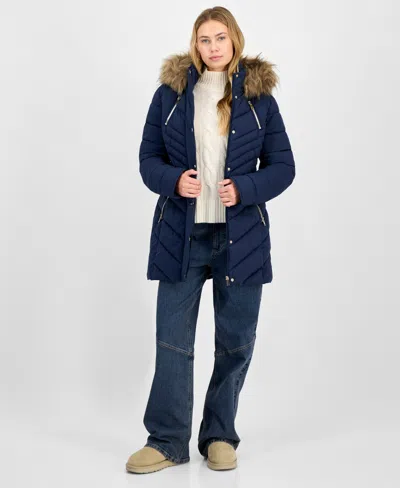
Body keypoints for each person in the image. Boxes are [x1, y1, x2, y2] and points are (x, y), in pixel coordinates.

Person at [126, 6, 295, 474]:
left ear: (234, 40)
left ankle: (220, 435)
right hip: (181, 235)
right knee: (172, 341)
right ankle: (166, 440)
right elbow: (148, 158)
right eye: (205, 39)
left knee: (236, 342)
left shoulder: (260, 99)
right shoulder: (171, 94)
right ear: (195, 44)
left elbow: (283, 167)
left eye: (221, 37)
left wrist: (245, 188)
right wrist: (172, 180)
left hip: (242, 237)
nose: (213, 46)